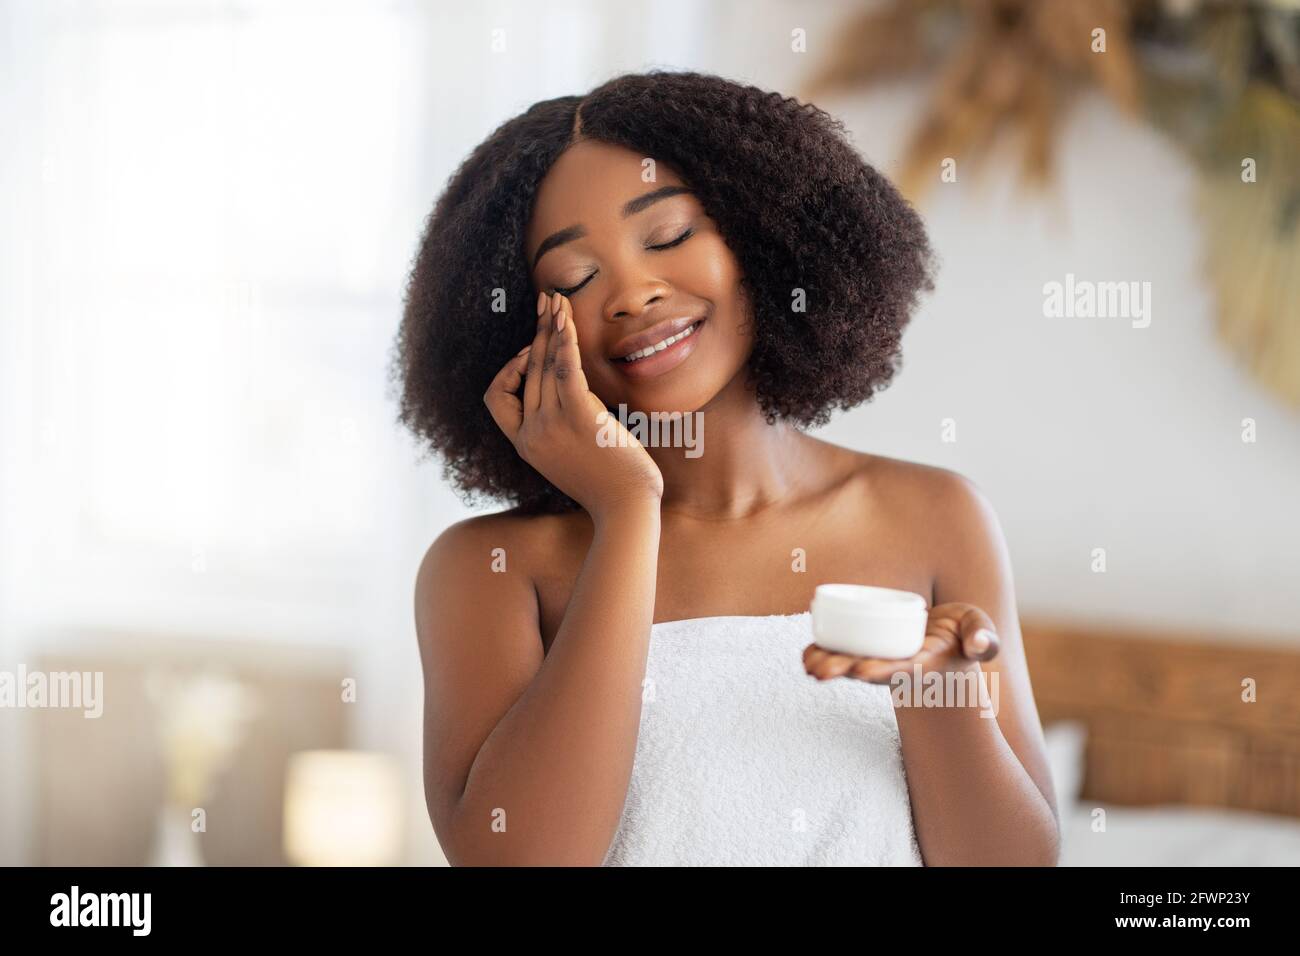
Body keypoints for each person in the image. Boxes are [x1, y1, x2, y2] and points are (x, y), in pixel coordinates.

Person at [393, 70, 1060, 866]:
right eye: (573, 279)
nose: (633, 293)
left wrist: (939, 694)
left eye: (669, 235)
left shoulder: (936, 516)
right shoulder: (491, 571)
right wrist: (626, 511)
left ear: (761, 237)